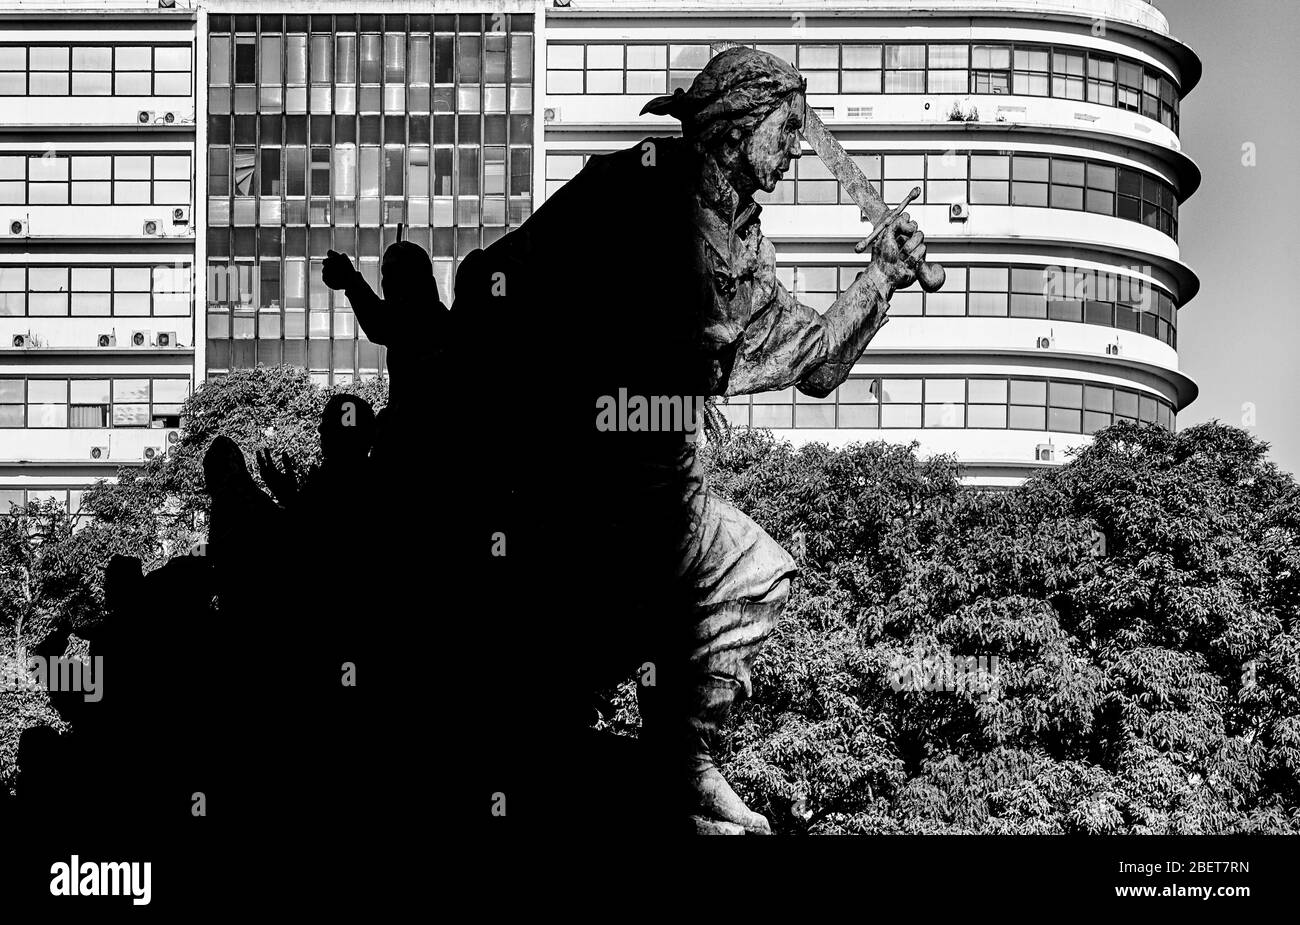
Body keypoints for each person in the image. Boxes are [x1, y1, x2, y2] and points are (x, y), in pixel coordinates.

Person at [444, 45, 929, 834]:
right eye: (789, 129)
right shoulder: (625, 190)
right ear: (736, 133)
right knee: (572, 648)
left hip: (666, 485)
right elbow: (491, 282)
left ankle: (681, 755)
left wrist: (878, 280)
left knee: (755, 570)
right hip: (576, 473)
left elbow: (814, 364)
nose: (802, 148)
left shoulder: (745, 253)